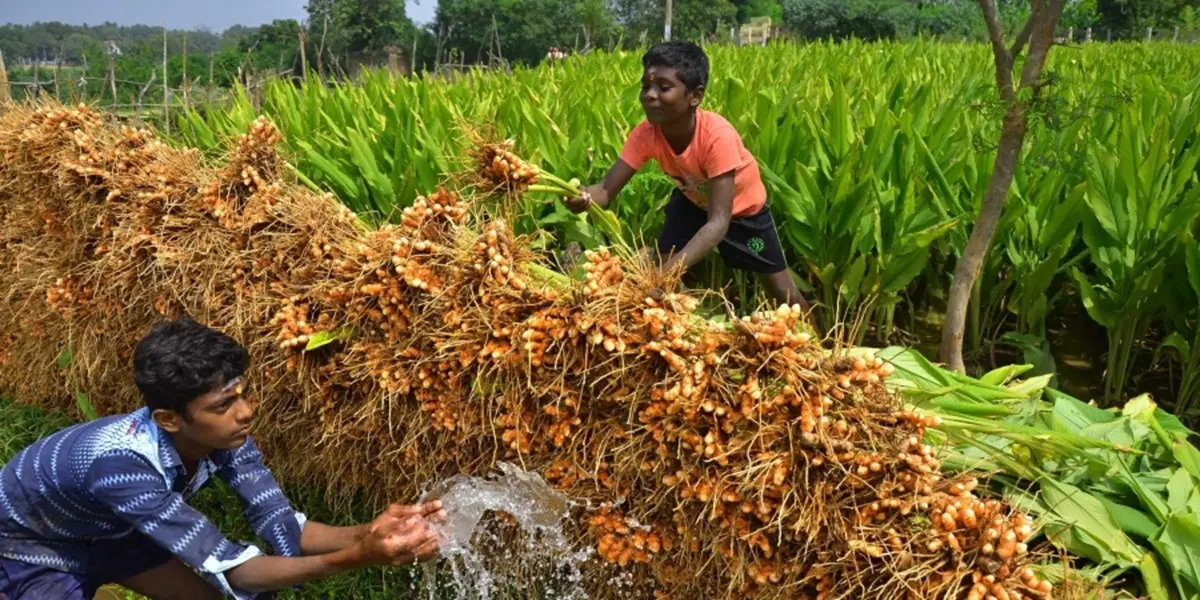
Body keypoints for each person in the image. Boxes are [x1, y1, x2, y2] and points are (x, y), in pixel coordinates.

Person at [0, 317, 445, 600]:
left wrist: (370, 531)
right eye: (222, 405)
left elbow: (283, 525)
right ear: (169, 419)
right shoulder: (118, 465)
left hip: (114, 533)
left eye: (242, 393)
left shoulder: (224, 437)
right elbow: (238, 572)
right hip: (34, 549)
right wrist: (360, 557)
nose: (246, 411)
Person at [566, 40, 811, 313]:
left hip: (744, 214)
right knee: (664, 264)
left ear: (695, 96)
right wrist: (585, 197)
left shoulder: (717, 137)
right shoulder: (646, 133)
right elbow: (605, 189)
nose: (650, 94)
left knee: (780, 290)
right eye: (645, 86)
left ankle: (820, 347)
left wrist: (669, 272)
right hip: (692, 203)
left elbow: (719, 222)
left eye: (663, 87)